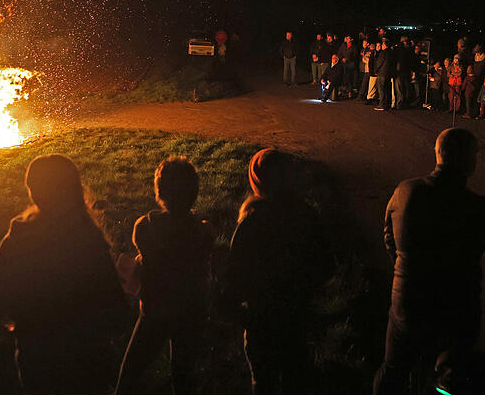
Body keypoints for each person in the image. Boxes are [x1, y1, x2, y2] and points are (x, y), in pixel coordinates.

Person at [374, 128, 485, 395]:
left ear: (437, 153)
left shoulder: (405, 191)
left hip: (407, 300)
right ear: (470, 161)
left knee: (393, 370)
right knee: (451, 379)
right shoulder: (480, 207)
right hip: (456, 311)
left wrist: (407, 267)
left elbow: (389, 238)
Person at [0, 154, 128, 395]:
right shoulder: (87, 239)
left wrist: (20, 325)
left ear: (33, 191)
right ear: (74, 188)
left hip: (37, 358)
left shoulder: (18, 239)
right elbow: (117, 311)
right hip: (87, 360)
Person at [222, 148, 332, 395]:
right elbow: (326, 264)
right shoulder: (306, 216)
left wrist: (235, 309)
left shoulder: (251, 223)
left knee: (264, 381)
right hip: (298, 315)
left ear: (256, 181)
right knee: (296, 376)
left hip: (262, 320)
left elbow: (235, 274)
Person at [115, 157, 212, 395]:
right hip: (191, 309)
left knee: (130, 372)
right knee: (184, 374)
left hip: (155, 310)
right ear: (194, 192)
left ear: (159, 191)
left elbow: (151, 256)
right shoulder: (203, 231)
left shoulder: (144, 227)